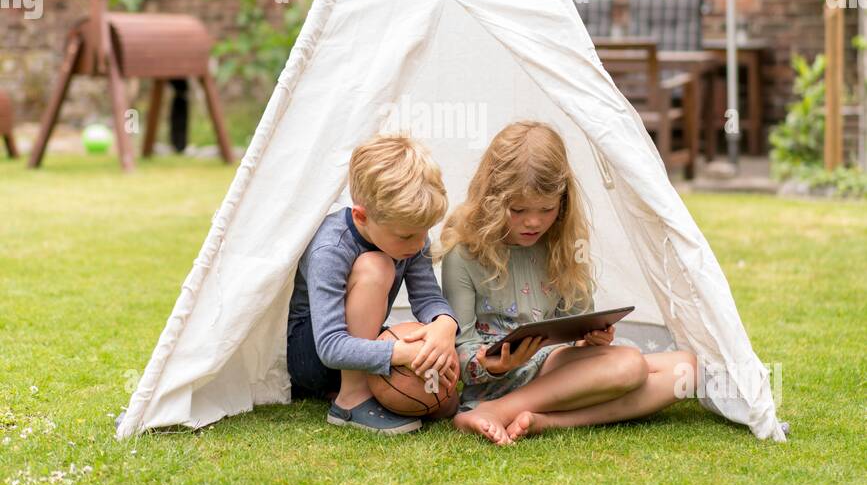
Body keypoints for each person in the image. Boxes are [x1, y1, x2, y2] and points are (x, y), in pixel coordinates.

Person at [441, 121, 697, 446]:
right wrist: (493, 365)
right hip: (501, 381)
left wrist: (591, 341)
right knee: (629, 365)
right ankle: (495, 408)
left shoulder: (564, 246)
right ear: (491, 198)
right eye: (517, 210)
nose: (533, 222)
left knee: (686, 371)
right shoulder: (464, 254)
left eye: (546, 209)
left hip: (558, 369)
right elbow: (459, 350)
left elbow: (575, 329)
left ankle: (544, 422)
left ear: (562, 201)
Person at [286, 134, 460, 434]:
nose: (419, 243)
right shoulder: (331, 248)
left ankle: (373, 389)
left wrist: (443, 326)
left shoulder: (410, 233)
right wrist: (402, 354)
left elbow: (428, 298)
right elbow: (329, 347)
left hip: (359, 344)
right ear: (361, 216)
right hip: (313, 356)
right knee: (376, 266)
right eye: (407, 236)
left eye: (425, 232)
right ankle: (350, 400)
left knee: (446, 404)